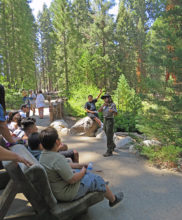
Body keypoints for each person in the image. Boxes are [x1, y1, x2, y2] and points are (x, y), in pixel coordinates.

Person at [39, 127, 124, 206]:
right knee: (96, 178)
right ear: (57, 142)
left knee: (83, 173)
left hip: (56, 189)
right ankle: (113, 200)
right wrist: (83, 170)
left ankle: (101, 185)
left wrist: (80, 166)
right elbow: (72, 180)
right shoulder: (57, 158)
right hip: (66, 193)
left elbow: (66, 165)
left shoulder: (43, 155)